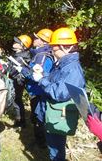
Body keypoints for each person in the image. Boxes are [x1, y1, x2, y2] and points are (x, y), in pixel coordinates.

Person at [32, 27, 85, 161]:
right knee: (53, 147)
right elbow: (55, 81)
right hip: (51, 113)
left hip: (58, 117)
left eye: (54, 48)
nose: (52, 50)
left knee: (56, 152)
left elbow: (58, 93)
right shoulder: (64, 64)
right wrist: (43, 74)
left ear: (65, 47)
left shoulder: (72, 69)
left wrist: (41, 80)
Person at [21, 28, 54, 148]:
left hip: (38, 91)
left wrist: (22, 70)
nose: (34, 39)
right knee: (37, 116)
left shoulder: (42, 56)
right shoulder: (41, 53)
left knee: (38, 117)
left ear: (44, 42)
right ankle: (41, 140)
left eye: (37, 38)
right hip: (38, 90)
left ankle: (40, 143)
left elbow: (37, 75)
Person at [7, 35, 32, 128]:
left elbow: (12, 71)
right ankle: (20, 120)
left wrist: (5, 67)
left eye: (17, 42)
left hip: (18, 81)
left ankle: (20, 121)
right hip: (18, 80)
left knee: (17, 100)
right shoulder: (20, 55)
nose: (14, 43)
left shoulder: (20, 57)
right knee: (17, 100)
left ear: (23, 46)